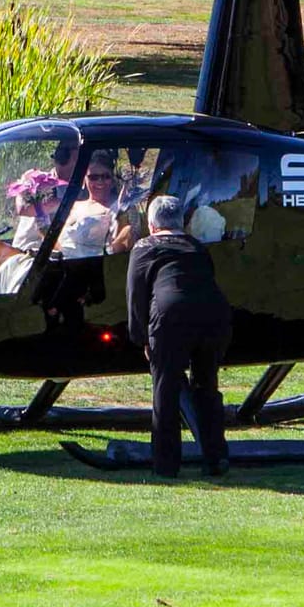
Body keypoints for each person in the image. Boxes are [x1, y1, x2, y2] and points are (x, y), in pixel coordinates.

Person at [126, 194, 232, 478]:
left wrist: (142, 339)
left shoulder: (145, 247)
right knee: (206, 386)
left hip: (171, 317)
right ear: (181, 222)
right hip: (215, 315)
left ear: (152, 224)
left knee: (166, 389)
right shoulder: (197, 247)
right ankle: (216, 457)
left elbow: (136, 296)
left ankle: (166, 465)